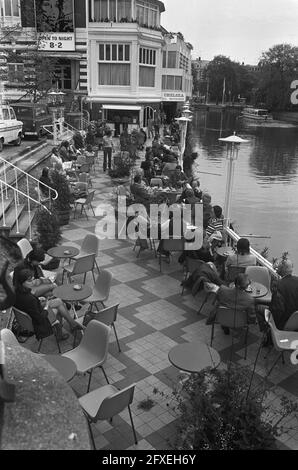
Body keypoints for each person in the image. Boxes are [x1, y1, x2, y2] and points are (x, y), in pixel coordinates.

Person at [13, 269, 83, 341]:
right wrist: (46, 306)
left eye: (32, 280)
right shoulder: (29, 299)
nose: (32, 283)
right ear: (21, 282)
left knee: (58, 301)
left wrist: (39, 300)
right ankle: (61, 333)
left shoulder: (15, 291)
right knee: (59, 308)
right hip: (36, 322)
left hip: (27, 316)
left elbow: (29, 306)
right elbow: (40, 318)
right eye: (29, 281)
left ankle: (71, 325)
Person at [268, 259, 298, 331]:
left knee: (259, 308)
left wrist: (271, 318)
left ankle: (269, 334)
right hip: (296, 323)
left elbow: (277, 310)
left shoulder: (278, 285)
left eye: (279, 267)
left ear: (281, 269)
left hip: (284, 324)